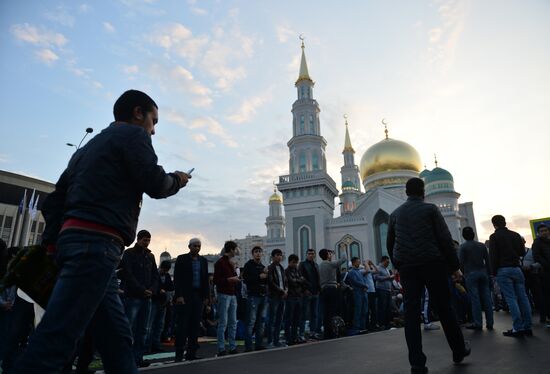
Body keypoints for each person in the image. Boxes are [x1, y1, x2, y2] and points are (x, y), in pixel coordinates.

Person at [13, 90, 191, 374]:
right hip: (96, 246)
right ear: (137, 113)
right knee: (54, 341)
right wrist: (178, 180)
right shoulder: (134, 136)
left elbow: (55, 201)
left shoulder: (85, 150)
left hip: (85, 247)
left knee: (117, 339)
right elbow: (155, 183)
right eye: (153, 121)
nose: (153, 130)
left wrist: (53, 245)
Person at [387, 178, 469, 374]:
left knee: (412, 314)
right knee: (445, 308)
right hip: (433, 264)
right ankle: (458, 350)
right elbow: (445, 239)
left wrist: (398, 264)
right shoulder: (430, 209)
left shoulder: (395, 214)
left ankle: (417, 364)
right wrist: (454, 267)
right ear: (423, 192)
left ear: (406, 192)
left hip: (408, 268)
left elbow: (390, 244)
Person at [120, 229, 160, 367]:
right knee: (129, 328)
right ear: (138, 239)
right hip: (133, 296)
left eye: (148, 240)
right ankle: (125, 358)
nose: (147, 243)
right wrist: (144, 290)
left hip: (146, 297)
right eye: (145, 240)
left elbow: (155, 275)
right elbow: (128, 274)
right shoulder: (129, 253)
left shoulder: (150, 256)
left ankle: (137, 358)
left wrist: (152, 290)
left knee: (143, 329)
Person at [489, 214, 532, 337]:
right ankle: (527, 326)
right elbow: (522, 252)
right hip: (517, 269)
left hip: (503, 270)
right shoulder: (515, 235)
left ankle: (517, 328)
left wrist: (494, 272)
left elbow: (493, 256)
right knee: (523, 297)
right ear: (505, 222)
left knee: (511, 299)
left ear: (494, 224)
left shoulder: (494, 237)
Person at [173, 238, 209, 361]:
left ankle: (191, 353)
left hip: (198, 296)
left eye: (199, 246)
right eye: (195, 246)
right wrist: (179, 295)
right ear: (189, 246)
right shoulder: (182, 259)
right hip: (185, 296)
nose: (197, 248)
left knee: (195, 326)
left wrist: (206, 298)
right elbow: (177, 278)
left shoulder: (203, 261)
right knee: (183, 325)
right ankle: (179, 353)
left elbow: (205, 281)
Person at [459, 226, 494, 330]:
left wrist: (461, 274)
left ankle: (478, 323)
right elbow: (488, 261)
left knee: (475, 299)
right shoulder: (481, 246)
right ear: (473, 234)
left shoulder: (463, 247)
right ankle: (490, 323)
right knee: (487, 298)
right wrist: (490, 273)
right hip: (483, 273)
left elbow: (461, 262)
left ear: (464, 236)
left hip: (470, 274)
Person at [213, 240, 240, 356]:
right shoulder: (220, 263)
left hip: (232, 294)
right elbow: (216, 280)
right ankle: (221, 348)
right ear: (231, 250)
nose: (236, 251)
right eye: (235, 249)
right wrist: (230, 279)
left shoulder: (230, 263)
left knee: (233, 322)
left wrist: (234, 277)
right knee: (223, 322)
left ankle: (232, 346)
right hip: (224, 294)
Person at [242, 246, 268, 352]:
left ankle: (259, 344)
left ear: (262, 254)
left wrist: (266, 276)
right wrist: (259, 277)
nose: (258, 254)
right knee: (251, 322)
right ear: (252, 254)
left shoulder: (262, 266)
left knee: (260, 321)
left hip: (263, 296)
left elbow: (265, 280)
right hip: (253, 296)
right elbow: (246, 279)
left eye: (259, 252)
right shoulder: (248, 265)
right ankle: (248, 346)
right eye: (256, 252)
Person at [318, 248, 347, 339]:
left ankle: (327, 333)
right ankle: (332, 332)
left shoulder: (320, 265)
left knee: (326, 312)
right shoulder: (330, 264)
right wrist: (343, 249)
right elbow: (343, 259)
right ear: (327, 255)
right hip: (331, 289)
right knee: (332, 311)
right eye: (329, 254)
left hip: (323, 290)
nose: (331, 255)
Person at [147, 260, 174, 353]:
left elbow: (171, 287)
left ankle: (156, 344)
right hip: (155, 301)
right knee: (151, 324)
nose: (165, 271)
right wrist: (159, 291)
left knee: (159, 325)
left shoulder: (167, 276)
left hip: (163, 303)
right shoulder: (155, 275)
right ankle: (148, 345)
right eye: (164, 269)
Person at [266, 248, 287, 348]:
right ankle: (270, 341)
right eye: (277, 255)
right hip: (274, 296)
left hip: (282, 296)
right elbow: (270, 282)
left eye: (280, 255)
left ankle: (277, 340)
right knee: (272, 320)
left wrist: (286, 290)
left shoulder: (282, 268)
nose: (279, 257)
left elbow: (285, 281)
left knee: (279, 320)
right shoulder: (270, 267)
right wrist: (281, 290)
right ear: (273, 256)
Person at [299, 248, 321, 340]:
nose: (311, 255)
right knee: (304, 314)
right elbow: (301, 278)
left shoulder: (316, 265)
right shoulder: (302, 264)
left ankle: (313, 332)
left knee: (314, 314)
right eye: (309, 254)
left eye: (312, 254)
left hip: (315, 292)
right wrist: (305, 289)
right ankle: (302, 333)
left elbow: (318, 278)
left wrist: (319, 289)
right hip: (307, 293)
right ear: (306, 255)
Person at [284, 254, 306, 345]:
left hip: (298, 296)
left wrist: (298, 280)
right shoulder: (286, 271)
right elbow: (291, 282)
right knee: (289, 319)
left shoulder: (297, 270)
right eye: (293, 263)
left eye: (296, 263)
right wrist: (299, 280)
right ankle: (288, 338)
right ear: (289, 262)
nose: (295, 264)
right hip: (290, 297)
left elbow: (303, 280)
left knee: (297, 319)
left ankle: (294, 337)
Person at [532, 224, 550, 327]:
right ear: (538, 233)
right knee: (546, 295)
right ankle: (547, 317)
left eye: (546, 230)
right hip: (545, 272)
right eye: (542, 231)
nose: (544, 232)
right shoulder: (537, 243)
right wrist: (547, 265)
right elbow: (537, 257)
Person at [346, 257, 369, 332]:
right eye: (358, 262)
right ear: (353, 263)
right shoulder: (351, 272)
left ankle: (363, 326)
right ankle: (357, 327)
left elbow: (363, 279)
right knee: (358, 310)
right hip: (357, 292)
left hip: (363, 292)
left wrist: (365, 286)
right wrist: (364, 285)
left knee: (364, 310)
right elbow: (355, 282)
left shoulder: (359, 271)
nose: (359, 263)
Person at [374, 256, 394, 330]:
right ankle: (382, 324)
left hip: (388, 290)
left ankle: (387, 324)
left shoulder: (387, 269)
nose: (388, 263)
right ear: (383, 261)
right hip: (381, 290)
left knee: (388, 307)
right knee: (382, 307)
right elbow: (376, 277)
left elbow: (388, 279)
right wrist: (388, 277)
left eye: (388, 262)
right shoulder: (378, 268)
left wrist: (391, 280)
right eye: (387, 262)